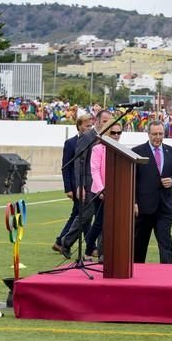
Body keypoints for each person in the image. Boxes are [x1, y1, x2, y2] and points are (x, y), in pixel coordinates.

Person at [57, 110, 112, 259]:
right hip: (88, 184)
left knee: (102, 219)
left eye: (110, 121)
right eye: (105, 121)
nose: (108, 124)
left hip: (103, 185)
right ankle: (65, 242)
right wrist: (79, 185)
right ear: (98, 121)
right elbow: (79, 162)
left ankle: (102, 253)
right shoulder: (87, 137)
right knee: (85, 217)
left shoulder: (109, 138)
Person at [132, 120, 172, 264]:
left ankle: (166, 275)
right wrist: (134, 202)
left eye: (160, 134)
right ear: (148, 134)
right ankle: (137, 276)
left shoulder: (171, 151)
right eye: (154, 134)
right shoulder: (137, 152)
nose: (157, 137)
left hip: (164, 208)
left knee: (166, 245)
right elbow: (133, 180)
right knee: (139, 247)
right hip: (143, 209)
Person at [52, 113, 94, 254]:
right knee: (83, 216)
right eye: (87, 126)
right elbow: (66, 167)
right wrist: (69, 188)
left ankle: (61, 241)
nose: (89, 128)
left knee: (79, 215)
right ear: (79, 126)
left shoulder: (93, 141)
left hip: (88, 186)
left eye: (91, 126)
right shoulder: (71, 143)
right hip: (77, 187)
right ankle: (89, 246)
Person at [83, 123, 123, 261]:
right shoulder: (98, 149)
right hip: (100, 192)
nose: (116, 136)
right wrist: (101, 189)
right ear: (107, 133)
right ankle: (89, 250)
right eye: (113, 132)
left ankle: (104, 253)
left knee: (113, 223)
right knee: (99, 223)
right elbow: (94, 170)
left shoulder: (121, 149)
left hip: (115, 192)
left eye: (119, 133)